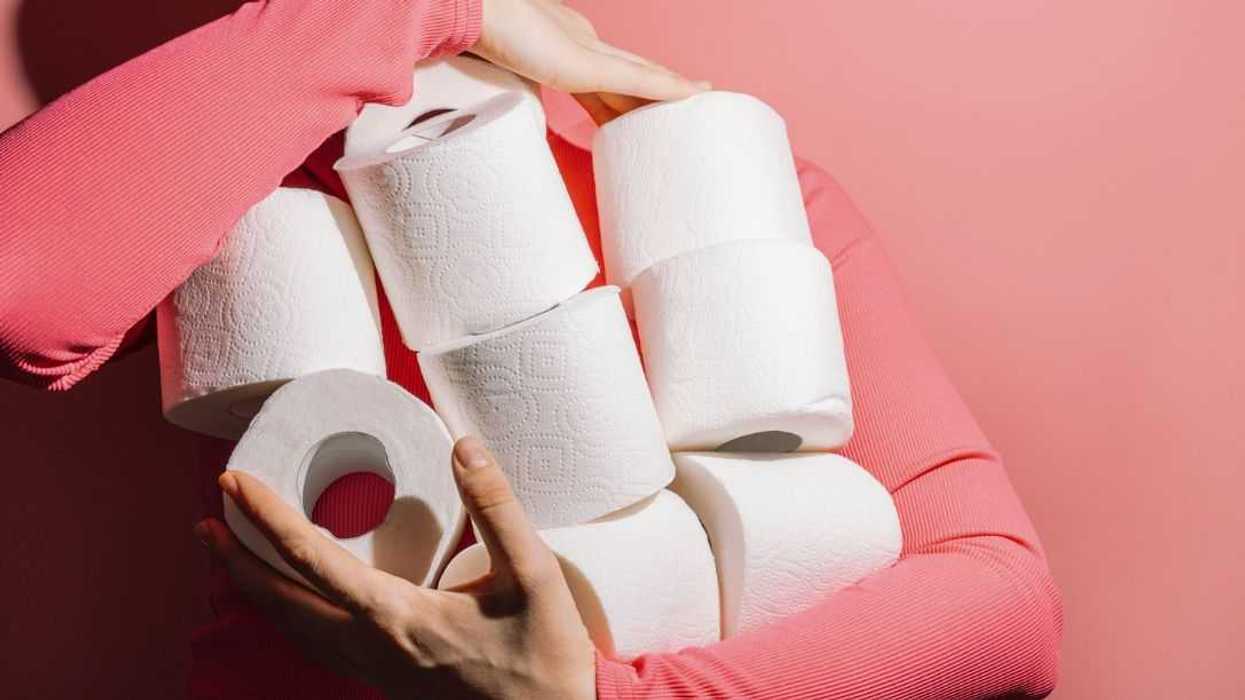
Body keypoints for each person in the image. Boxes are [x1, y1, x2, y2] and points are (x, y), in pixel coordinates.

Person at [0, 0, 1063, 697]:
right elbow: (18, 281)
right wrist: (418, 10)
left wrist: (583, 698)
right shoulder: (241, 225)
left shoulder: (714, 200)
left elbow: (1004, 604)